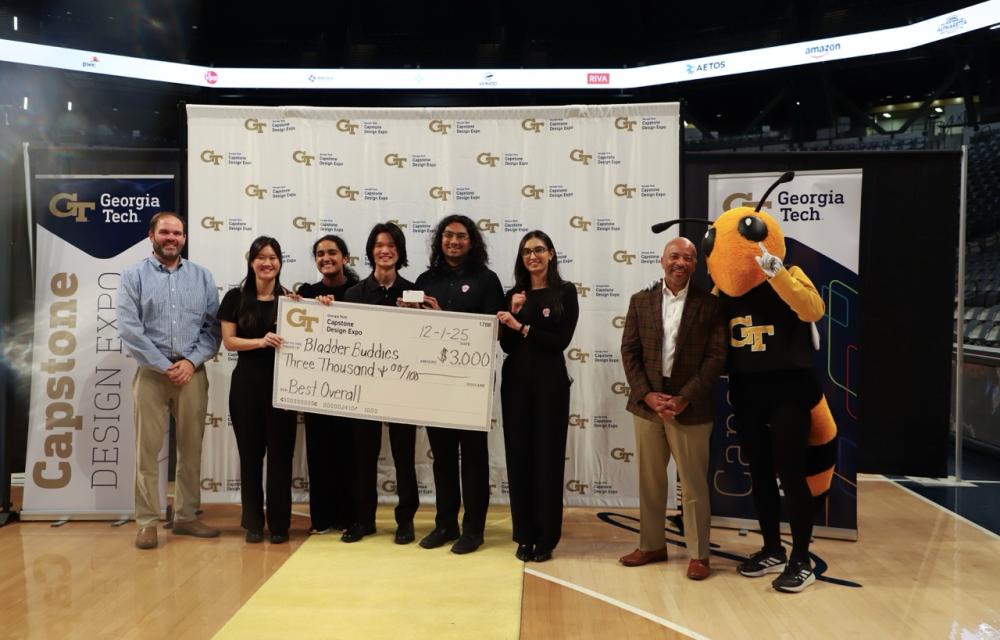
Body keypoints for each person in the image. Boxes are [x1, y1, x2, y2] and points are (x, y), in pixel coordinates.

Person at [617, 236, 727, 580]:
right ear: (662, 261)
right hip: (648, 405)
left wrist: (685, 397)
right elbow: (629, 352)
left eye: (688, 258)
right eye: (674, 256)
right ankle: (651, 545)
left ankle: (699, 554)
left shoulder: (710, 306)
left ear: (696, 264)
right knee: (650, 482)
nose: (680, 262)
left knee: (693, 484)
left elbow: (716, 357)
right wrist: (647, 394)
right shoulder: (640, 301)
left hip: (690, 406)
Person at [118, 211, 221, 550]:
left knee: (191, 449)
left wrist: (190, 362)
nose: (171, 238)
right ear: (152, 236)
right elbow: (130, 331)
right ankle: (147, 522)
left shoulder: (203, 277)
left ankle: (187, 516)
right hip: (151, 374)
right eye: (165, 232)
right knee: (147, 451)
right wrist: (165, 365)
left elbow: (212, 329)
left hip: (192, 374)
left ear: (184, 238)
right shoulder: (134, 276)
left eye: (177, 233)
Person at [413, 214, 504, 554]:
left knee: (475, 456)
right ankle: (445, 524)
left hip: (472, 382)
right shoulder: (425, 279)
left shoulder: (487, 279)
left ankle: (473, 529)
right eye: (448, 235)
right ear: (439, 240)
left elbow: (494, 329)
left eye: (461, 236)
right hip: (434, 380)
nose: (454, 241)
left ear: (472, 241)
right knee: (443, 457)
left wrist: (444, 318)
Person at [496, 230, 579, 562]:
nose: (533, 256)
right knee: (519, 460)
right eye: (527, 251)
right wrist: (512, 315)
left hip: (550, 386)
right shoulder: (514, 294)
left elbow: (559, 341)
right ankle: (524, 535)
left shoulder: (565, 292)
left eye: (539, 249)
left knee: (547, 459)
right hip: (515, 385)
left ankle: (546, 537)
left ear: (551, 254)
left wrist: (522, 325)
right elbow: (506, 345)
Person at [340, 222, 420, 545]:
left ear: (399, 252)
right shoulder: (354, 294)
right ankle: (364, 519)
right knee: (363, 455)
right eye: (378, 244)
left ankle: (406, 521)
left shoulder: (414, 292)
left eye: (391, 245)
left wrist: (420, 314)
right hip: (365, 389)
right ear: (371, 251)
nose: (384, 250)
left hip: (403, 388)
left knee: (404, 456)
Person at [219, 236, 298, 544]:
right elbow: (229, 341)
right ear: (251, 262)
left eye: (273, 257)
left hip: (284, 389)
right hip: (246, 387)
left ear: (280, 262)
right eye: (261, 257)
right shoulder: (234, 298)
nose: (267, 263)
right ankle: (253, 522)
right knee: (250, 457)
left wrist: (321, 307)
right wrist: (261, 341)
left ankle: (280, 524)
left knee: (281, 458)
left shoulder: (292, 300)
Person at [297, 235, 360, 534]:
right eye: (320, 254)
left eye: (332, 252)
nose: (326, 258)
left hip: (352, 386)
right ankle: (321, 518)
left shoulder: (360, 292)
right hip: (317, 386)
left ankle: (349, 518)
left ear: (345, 258)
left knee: (349, 453)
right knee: (319, 452)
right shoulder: (307, 292)